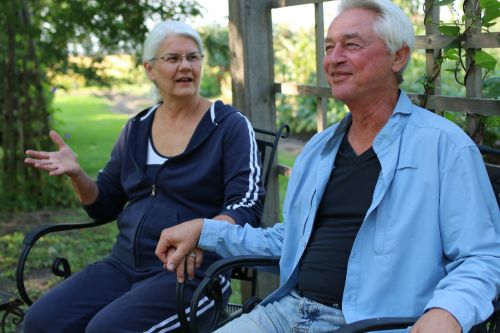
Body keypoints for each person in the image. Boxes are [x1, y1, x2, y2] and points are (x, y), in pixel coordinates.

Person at [155, 1, 500, 332]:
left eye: (351, 45)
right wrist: (205, 230)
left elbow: (483, 257)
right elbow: (289, 240)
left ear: (398, 56)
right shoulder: (320, 149)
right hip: (284, 312)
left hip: (373, 323)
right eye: (328, 47)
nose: (333, 59)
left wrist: (448, 311)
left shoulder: (443, 146)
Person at [23, 20, 264, 333]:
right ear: (150, 69)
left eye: (193, 57)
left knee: (106, 330)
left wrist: (203, 232)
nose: (185, 66)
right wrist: (77, 174)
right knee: (41, 322)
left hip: (190, 274)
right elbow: (104, 205)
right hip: (122, 265)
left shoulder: (228, 126)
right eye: (173, 59)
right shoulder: (137, 127)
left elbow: (246, 206)